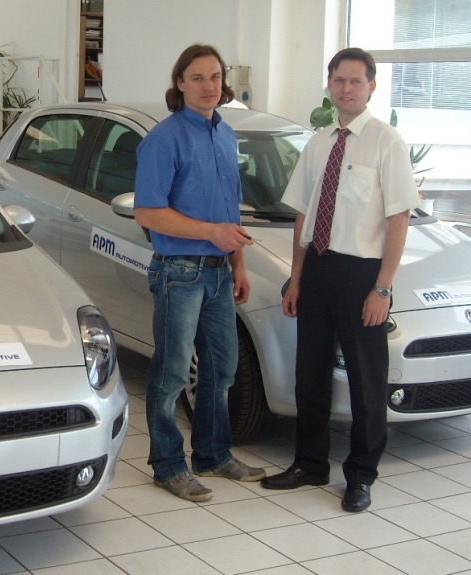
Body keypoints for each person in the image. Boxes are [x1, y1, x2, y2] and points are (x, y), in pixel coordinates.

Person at [260, 48, 420, 513]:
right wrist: (296, 279)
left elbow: (398, 220)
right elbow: (303, 215)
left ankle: (361, 476)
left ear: (371, 87)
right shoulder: (319, 142)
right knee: (310, 374)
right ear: (329, 85)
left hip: (362, 274)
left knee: (367, 381)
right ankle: (310, 463)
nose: (346, 89)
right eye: (339, 80)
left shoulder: (387, 142)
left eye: (355, 81)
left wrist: (382, 288)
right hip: (318, 268)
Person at [134, 44, 264, 502]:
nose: (209, 86)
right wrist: (211, 233)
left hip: (219, 274)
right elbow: (148, 213)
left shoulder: (224, 133)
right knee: (171, 374)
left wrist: (238, 263)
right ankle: (168, 465)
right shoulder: (163, 139)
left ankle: (212, 454)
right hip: (180, 272)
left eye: (215, 77)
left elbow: (230, 209)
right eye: (198, 77)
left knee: (221, 369)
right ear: (180, 83)